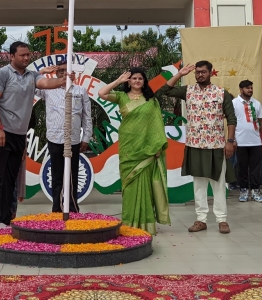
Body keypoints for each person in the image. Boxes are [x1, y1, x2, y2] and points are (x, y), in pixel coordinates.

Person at [0, 41, 67, 227]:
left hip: (19, 134)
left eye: (28, 55)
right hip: (1, 131)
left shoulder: (32, 75)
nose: (26, 58)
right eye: (22, 55)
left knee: (11, 178)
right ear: (11, 56)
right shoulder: (2, 74)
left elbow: (46, 83)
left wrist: (62, 80)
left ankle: (6, 219)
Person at [158, 61, 237, 235]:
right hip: (194, 144)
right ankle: (201, 219)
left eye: (203, 72)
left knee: (218, 183)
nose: (200, 75)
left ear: (210, 73)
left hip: (216, 145)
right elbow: (164, 91)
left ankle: (222, 219)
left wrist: (230, 141)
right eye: (198, 72)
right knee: (199, 184)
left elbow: (231, 119)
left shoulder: (221, 93)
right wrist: (180, 74)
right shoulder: (188, 91)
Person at [97, 67, 170, 235]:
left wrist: (157, 146)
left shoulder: (151, 101)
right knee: (129, 186)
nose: (137, 81)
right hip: (128, 146)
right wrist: (117, 81)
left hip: (146, 147)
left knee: (145, 185)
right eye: (134, 78)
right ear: (129, 81)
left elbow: (157, 125)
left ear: (144, 82)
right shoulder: (121, 96)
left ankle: (145, 223)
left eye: (140, 79)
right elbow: (101, 93)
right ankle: (129, 222)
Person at [35, 64, 92, 213]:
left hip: (73, 140)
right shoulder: (48, 90)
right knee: (57, 175)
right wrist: (41, 72)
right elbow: (29, 84)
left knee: (72, 175)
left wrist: (86, 138)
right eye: (60, 71)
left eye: (67, 71)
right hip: (54, 138)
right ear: (56, 73)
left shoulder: (80, 91)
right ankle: (57, 209)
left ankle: (72, 208)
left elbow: (87, 117)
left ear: (73, 74)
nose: (63, 74)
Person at [233, 80, 262, 202]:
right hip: (240, 141)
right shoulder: (234, 103)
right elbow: (231, 122)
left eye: (251, 88)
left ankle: (256, 191)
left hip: (256, 141)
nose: (250, 90)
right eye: (247, 88)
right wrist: (232, 139)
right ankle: (243, 191)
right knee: (242, 168)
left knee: (255, 168)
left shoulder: (257, 103)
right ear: (241, 89)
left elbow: (261, 121)